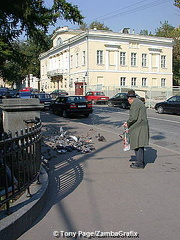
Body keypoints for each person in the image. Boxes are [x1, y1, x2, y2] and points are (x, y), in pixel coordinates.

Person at [123, 90, 149, 169]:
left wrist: (127, 123)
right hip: (140, 126)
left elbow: (133, 117)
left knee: (138, 145)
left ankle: (140, 163)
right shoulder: (138, 102)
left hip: (138, 127)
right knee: (139, 145)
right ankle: (140, 161)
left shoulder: (135, 104)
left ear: (129, 99)